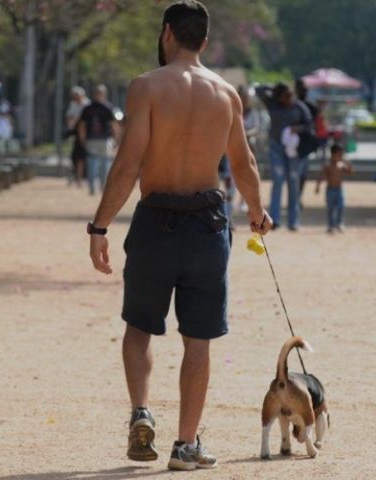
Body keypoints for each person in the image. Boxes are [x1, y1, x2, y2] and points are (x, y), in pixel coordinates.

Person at [86, 0, 271, 471]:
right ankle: (186, 444)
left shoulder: (146, 87)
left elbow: (128, 164)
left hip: (156, 218)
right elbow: (243, 164)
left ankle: (141, 411)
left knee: (140, 325)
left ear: (168, 33)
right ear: (203, 41)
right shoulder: (227, 93)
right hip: (208, 223)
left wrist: (100, 225)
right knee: (199, 338)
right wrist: (257, 211)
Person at [255, 81, 312, 231]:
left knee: (293, 181)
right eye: (285, 95)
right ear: (279, 96)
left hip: (293, 149)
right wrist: (274, 89)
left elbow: (309, 125)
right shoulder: (272, 104)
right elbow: (258, 89)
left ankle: (294, 221)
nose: (289, 98)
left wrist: (297, 128)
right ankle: (275, 219)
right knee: (278, 180)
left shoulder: (299, 106)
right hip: (276, 147)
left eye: (291, 94)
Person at [77, 84, 120, 196]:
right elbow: (114, 125)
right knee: (104, 164)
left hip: (93, 140)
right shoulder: (108, 107)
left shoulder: (87, 108)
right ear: (104, 94)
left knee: (93, 163)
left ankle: (92, 188)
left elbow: (81, 125)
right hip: (103, 140)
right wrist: (115, 140)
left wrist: (82, 139)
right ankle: (103, 188)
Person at [315, 143, 352, 233]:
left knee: (341, 207)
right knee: (330, 209)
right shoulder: (327, 165)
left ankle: (339, 223)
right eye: (339, 154)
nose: (340, 156)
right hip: (330, 190)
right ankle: (331, 225)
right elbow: (322, 176)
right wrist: (318, 186)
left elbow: (350, 171)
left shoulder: (341, 165)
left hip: (339, 189)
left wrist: (346, 162)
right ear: (333, 154)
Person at [65, 86, 91, 187]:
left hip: (87, 133)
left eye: (77, 96)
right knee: (76, 157)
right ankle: (77, 178)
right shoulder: (73, 104)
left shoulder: (88, 104)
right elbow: (69, 118)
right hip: (75, 133)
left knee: (87, 157)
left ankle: (86, 178)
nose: (75, 98)